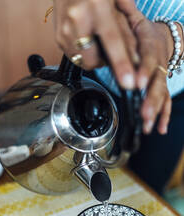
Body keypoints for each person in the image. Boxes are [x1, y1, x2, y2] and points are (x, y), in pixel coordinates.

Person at [52, 0, 184, 194]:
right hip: (95, 70)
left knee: (147, 192)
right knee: (64, 177)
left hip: (171, 97)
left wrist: (172, 38)